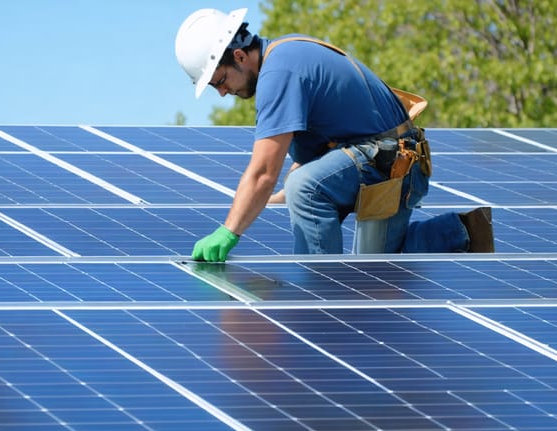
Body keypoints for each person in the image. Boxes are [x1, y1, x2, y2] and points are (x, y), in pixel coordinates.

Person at [175, 8, 494, 262]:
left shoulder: (279, 73)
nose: (222, 92)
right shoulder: (286, 54)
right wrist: (280, 194)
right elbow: (315, 153)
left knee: (305, 189)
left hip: (392, 161)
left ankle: (319, 293)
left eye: (220, 81)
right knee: (373, 269)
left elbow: (262, 173)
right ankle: (459, 232)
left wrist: (229, 231)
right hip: (386, 158)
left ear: (239, 56)